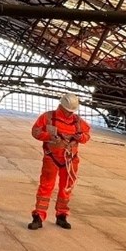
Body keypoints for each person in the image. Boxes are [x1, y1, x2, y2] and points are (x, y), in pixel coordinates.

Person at [28, 93, 90, 230]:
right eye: (67, 111)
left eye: (71, 112)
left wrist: (80, 137)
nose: (69, 114)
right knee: (46, 186)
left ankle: (62, 215)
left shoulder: (78, 122)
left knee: (66, 189)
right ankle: (38, 215)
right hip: (52, 159)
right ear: (61, 106)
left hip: (70, 162)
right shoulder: (47, 117)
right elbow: (35, 131)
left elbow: (87, 136)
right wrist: (49, 136)